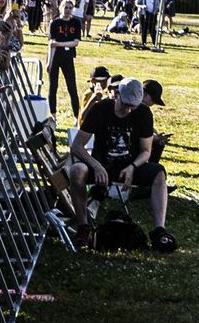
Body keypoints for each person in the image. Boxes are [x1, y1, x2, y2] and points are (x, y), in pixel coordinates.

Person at [71, 78, 175, 252]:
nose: (128, 110)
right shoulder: (101, 109)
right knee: (77, 170)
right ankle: (83, 226)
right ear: (116, 95)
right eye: (125, 105)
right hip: (101, 165)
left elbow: (145, 151)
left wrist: (133, 167)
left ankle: (159, 230)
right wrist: (95, 165)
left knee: (159, 172)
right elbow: (77, 146)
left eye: (132, 106)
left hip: (129, 166)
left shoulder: (143, 113)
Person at [45, 0, 86, 116]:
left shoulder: (76, 23)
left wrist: (59, 44)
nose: (68, 10)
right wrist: (49, 61)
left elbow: (75, 42)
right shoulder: (55, 23)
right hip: (56, 56)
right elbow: (51, 44)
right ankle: (53, 114)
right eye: (65, 7)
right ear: (61, 8)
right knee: (53, 87)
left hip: (68, 57)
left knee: (72, 87)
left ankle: (76, 115)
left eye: (70, 8)